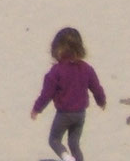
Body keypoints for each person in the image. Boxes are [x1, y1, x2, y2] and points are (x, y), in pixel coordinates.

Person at [31, 26, 107, 161]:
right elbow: (96, 87)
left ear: (58, 49)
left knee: (54, 140)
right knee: (74, 143)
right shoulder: (86, 68)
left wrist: (37, 109)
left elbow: (46, 94)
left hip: (64, 113)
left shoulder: (56, 71)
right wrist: (101, 101)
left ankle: (66, 157)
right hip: (80, 113)